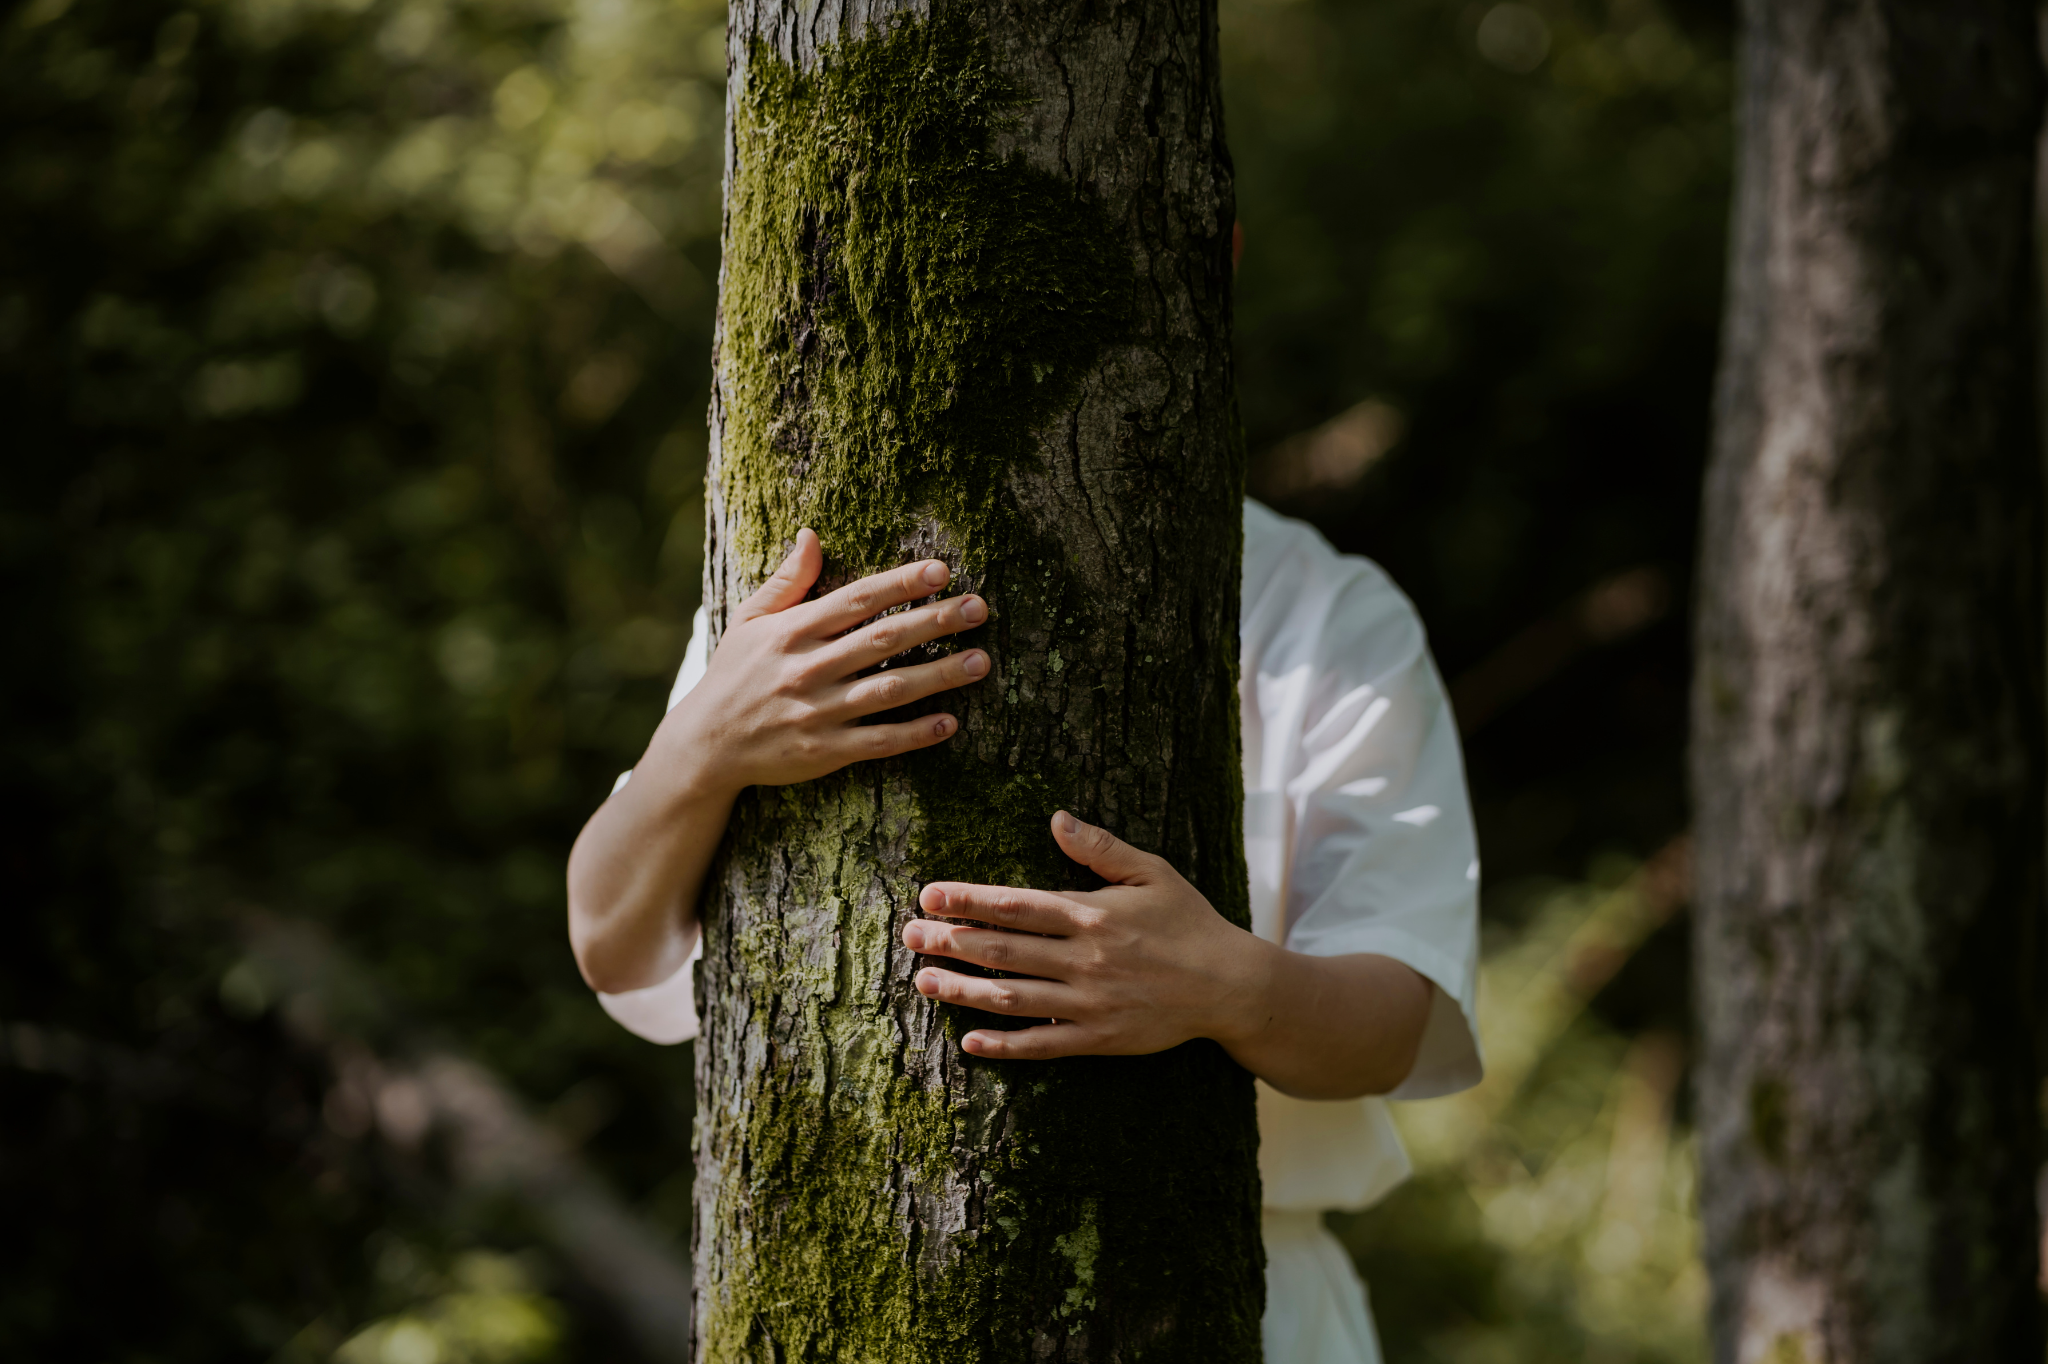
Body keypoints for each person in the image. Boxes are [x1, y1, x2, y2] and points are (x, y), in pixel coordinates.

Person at [567, 499, 1482, 1364]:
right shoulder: (804, 562)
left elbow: (1394, 1021)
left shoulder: (1326, 610)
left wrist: (1230, 988)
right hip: (818, 1282)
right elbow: (612, 943)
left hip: (1235, 1302)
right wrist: (695, 751)